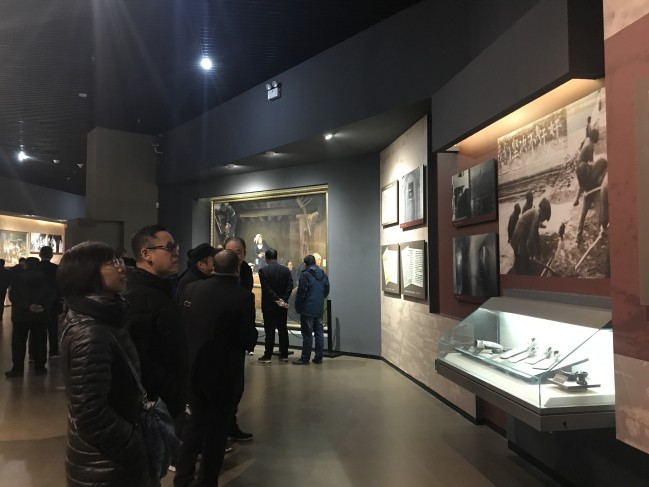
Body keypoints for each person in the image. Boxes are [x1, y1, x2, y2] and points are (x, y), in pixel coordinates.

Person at [58, 241, 152, 487]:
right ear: (87, 272)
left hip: (104, 460)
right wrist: (134, 444)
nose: (122, 268)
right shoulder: (92, 331)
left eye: (120, 261)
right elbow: (91, 414)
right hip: (105, 466)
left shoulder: (102, 317)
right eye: (112, 263)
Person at [174, 250, 258, 487]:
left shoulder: (191, 289)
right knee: (217, 431)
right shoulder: (242, 296)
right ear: (237, 268)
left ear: (213, 267)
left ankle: (182, 478)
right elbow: (248, 338)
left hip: (194, 368)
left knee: (194, 425)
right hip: (224, 373)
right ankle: (207, 481)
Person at [123, 225, 188, 423]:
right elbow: (138, 357)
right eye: (169, 247)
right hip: (157, 404)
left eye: (176, 247)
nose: (176, 253)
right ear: (146, 254)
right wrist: (171, 390)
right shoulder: (140, 296)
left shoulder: (158, 289)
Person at [222, 236, 254, 441]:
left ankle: (230, 424)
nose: (235, 256)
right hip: (219, 341)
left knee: (236, 387)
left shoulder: (246, 272)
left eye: (238, 252)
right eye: (230, 252)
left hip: (237, 341)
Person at [5, 257, 58, 377]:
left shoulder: (18, 277)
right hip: (41, 315)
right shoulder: (47, 278)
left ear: (25, 265)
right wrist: (43, 306)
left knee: (18, 343)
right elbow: (53, 294)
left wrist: (28, 306)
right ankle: (40, 368)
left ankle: (17, 369)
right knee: (40, 342)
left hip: (21, 315)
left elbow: (13, 295)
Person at [257, 248, 293, 363]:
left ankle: (268, 356)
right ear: (276, 257)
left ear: (266, 258)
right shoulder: (286, 270)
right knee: (283, 330)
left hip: (269, 306)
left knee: (269, 331)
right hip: (282, 306)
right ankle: (284, 354)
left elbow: (266, 289)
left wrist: (276, 299)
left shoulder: (263, 271)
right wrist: (283, 299)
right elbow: (290, 285)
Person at [293, 254, 330, 365]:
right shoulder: (323, 274)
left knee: (307, 335)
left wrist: (297, 305)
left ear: (305, 264)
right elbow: (327, 290)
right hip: (318, 308)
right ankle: (318, 357)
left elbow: (301, 293)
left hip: (307, 309)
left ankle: (305, 358)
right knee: (319, 333)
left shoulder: (305, 275)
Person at [510, 197, 552, 275]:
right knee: (522, 261)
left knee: (526, 259)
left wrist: (538, 253)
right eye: (544, 219)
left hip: (522, 236)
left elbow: (536, 236)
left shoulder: (536, 213)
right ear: (542, 213)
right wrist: (532, 255)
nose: (543, 221)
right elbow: (530, 240)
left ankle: (524, 268)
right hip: (518, 239)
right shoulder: (536, 217)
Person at [38, 245, 62, 358]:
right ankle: (53, 351)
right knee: (53, 328)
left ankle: (35, 353)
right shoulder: (56, 269)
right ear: (51, 255)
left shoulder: (36, 268)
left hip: (38, 301)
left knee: (37, 330)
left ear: (40, 254)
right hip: (53, 302)